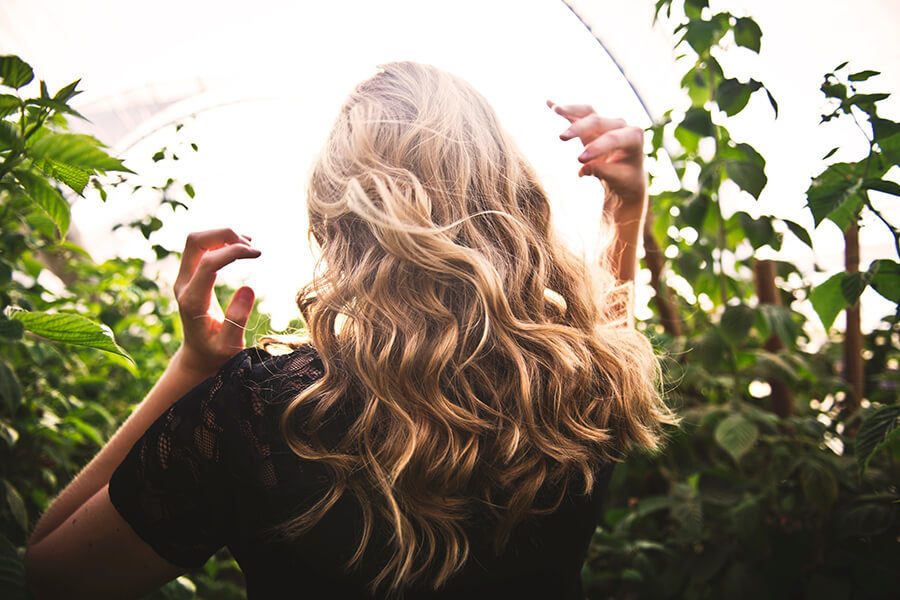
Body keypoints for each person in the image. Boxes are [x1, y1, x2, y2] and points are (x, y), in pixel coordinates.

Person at [24, 62, 675, 599]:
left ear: (338, 218)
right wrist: (625, 211)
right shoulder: (585, 384)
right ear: (509, 193)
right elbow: (606, 333)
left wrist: (193, 369)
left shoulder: (262, 412)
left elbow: (51, 574)